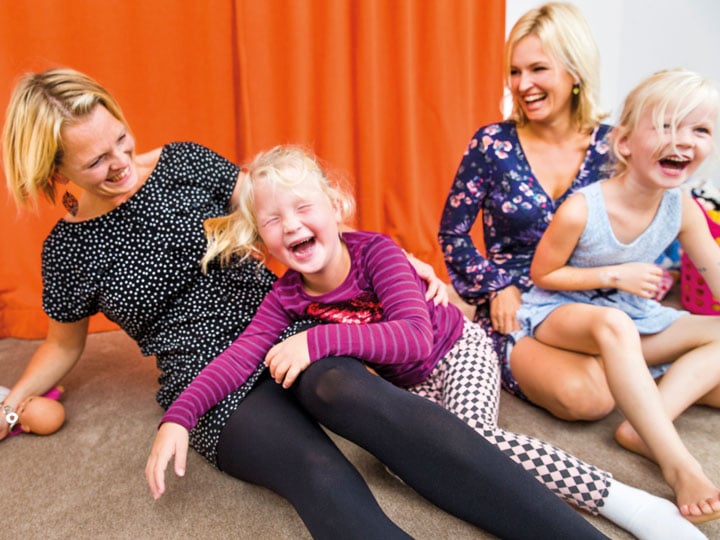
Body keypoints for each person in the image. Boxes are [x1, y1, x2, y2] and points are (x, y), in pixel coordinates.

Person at [0, 67, 533, 540]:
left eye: (122, 139)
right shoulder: (66, 252)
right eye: (97, 160)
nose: (122, 163)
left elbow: (289, 212)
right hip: (202, 375)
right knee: (315, 470)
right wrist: (11, 405)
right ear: (55, 170)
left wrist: (386, 257)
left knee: (392, 414)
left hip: (286, 324)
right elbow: (62, 345)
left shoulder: (183, 162)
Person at [147, 144, 706, 540]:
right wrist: (180, 416)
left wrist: (317, 341)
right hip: (409, 385)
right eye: (272, 219)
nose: (289, 224)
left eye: (302, 207)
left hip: (454, 350)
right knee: (411, 458)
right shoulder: (285, 296)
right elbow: (240, 358)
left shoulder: (377, 253)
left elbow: (415, 339)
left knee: (476, 438)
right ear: (261, 238)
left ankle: (623, 501)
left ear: (335, 207)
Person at [517, 68, 720, 524]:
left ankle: (644, 428)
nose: (683, 140)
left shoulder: (684, 207)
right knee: (614, 324)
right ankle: (679, 464)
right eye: (666, 125)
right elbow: (543, 273)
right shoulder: (582, 208)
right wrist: (617, 274)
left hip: (633, 316)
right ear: (625, 142)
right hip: (561, 312)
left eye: (700, 130)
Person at [438, 1, 617, 421]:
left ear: (575, 71)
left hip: (595, 304)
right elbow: (453, 234)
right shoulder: (492, 144)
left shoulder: (615, 147)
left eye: (538, 69)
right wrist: (496, 287)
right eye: (515, 72)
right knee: (587, 397)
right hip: (514, 305)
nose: (522, 84)